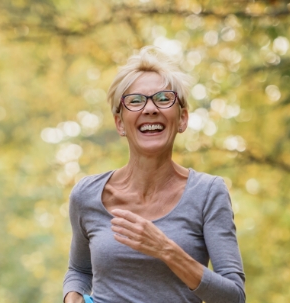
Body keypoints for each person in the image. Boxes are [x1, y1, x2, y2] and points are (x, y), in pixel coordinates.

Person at [61, 46, 246, 303]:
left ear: (182, 119)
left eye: (163, 99)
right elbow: (79, 270)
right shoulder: (87, 194)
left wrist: (166, 250)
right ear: (119, 123)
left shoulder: (208, 192)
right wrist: (72, 297)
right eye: (135, 101)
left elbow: (234, 297)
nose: (150, 109)